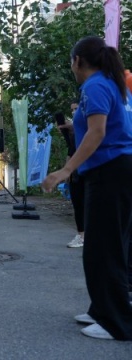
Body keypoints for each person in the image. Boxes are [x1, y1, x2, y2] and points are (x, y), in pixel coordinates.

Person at [42, 36, 132, 341]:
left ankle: (118, 323)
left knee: (104, 250)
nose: (71, 67)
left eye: (71, 62)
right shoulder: (110, 83)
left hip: (110, 171)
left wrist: (66, 169)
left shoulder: (94, 86)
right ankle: (102, 310)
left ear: (78, 61)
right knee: (106, 246)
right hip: (115, 170)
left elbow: (98, 132)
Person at [56, 103, 85, 248]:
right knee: (78, 203)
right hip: (76, 172)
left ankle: (88, 235)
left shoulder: (88, 125)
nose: (73, 112)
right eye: (72, 109)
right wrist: (67, 169)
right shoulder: (72, 131)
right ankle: (81, 235)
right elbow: (71, 150)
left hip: (88, 170)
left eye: (76, 109)